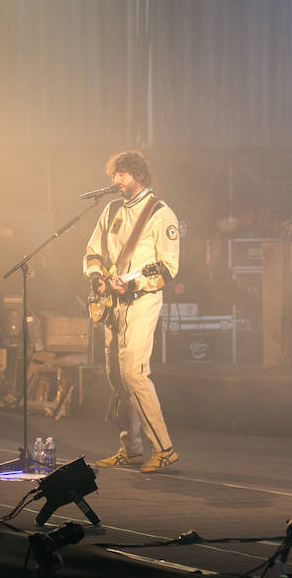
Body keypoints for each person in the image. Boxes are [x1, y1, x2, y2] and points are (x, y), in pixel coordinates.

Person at [83, 150, 181, 473]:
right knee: (116, 376)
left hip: (141, 302)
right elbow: (93, 251)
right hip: (113, 305)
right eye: (114, 175)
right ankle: (131, 448)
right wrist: (97, 278)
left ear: (138, 175)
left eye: (122, 175)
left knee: (134, 374)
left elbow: (168, 268)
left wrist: (135, 286)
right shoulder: (111, 210)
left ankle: (163, 448)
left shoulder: (161, 214)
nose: (116, 181)